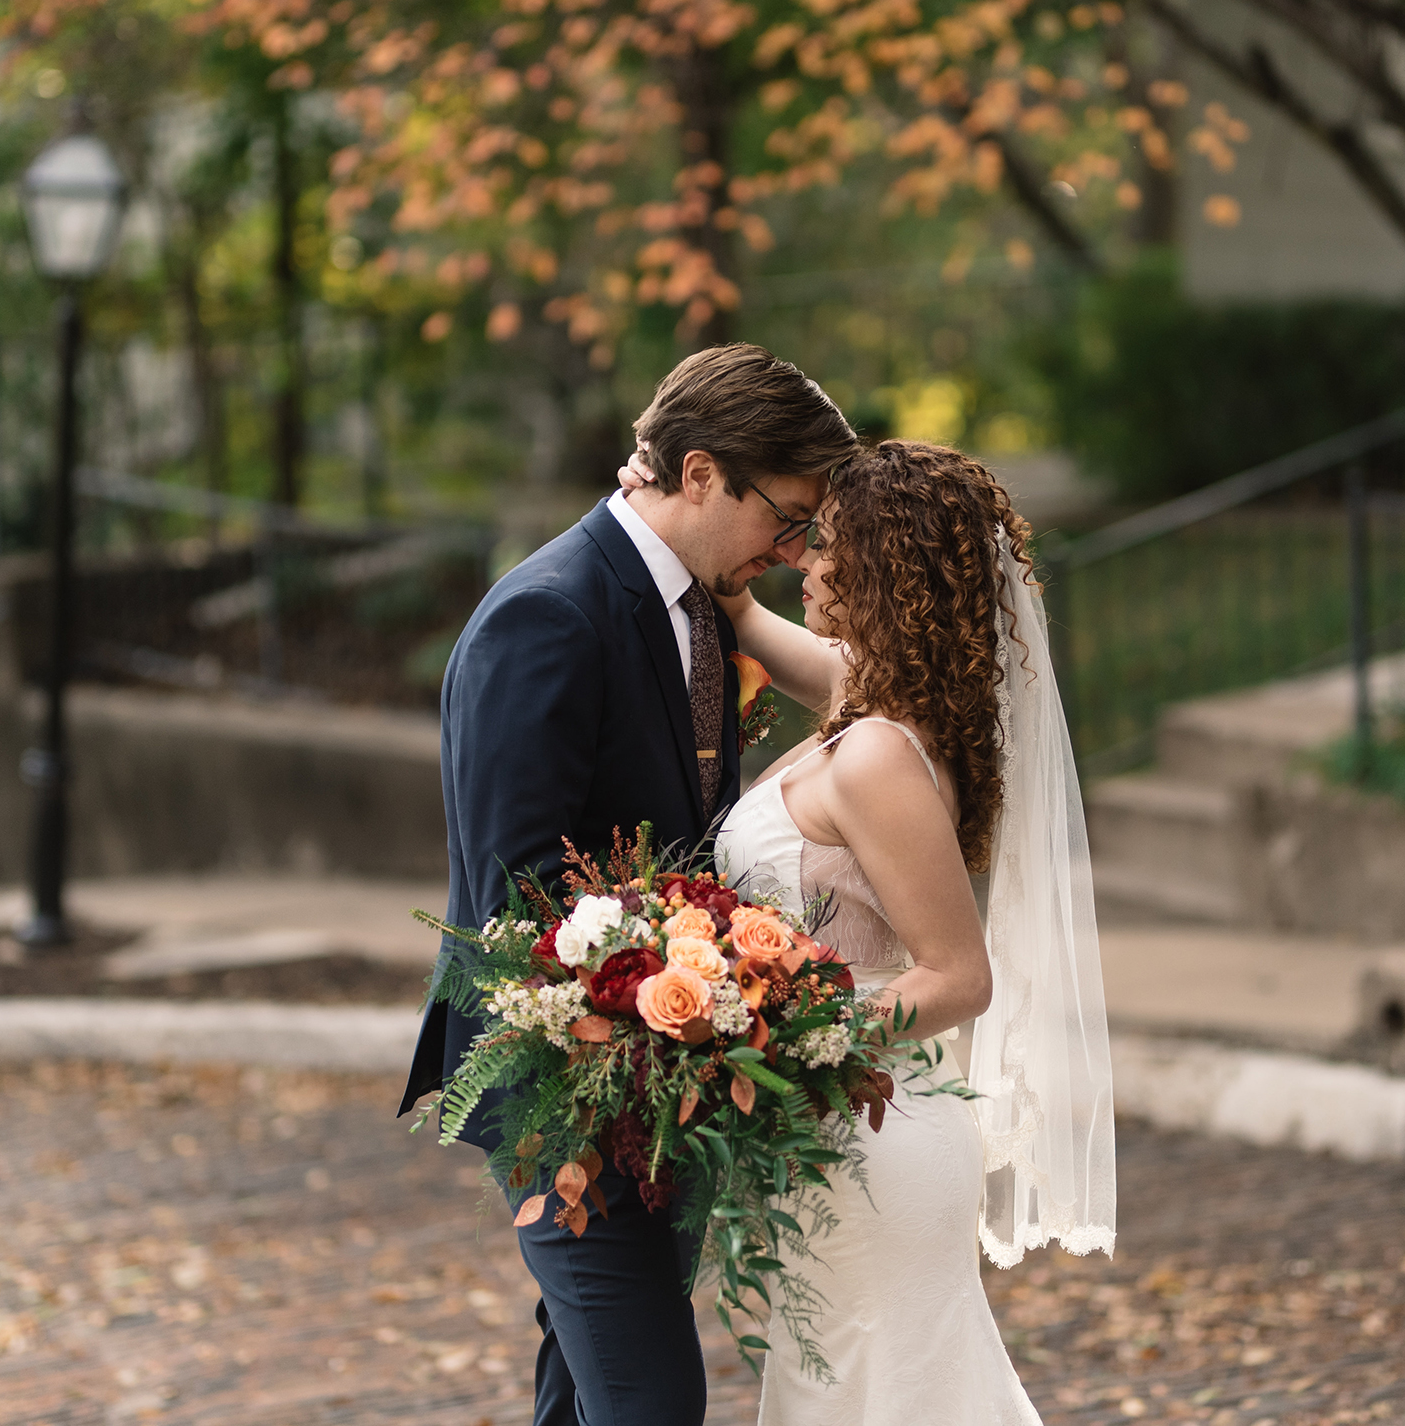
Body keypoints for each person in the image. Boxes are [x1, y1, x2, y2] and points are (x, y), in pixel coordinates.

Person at [398, 343, 858, 1426]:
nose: (793, 551)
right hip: (563, 1098)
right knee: (651, 1400)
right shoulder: (548, 614)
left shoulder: (700, 606)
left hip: (660, 1089)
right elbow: (519, 899)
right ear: (698, 474)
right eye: (785, 518)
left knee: (589, 1397)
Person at [703, 437, 1118, 1424]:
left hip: (875, 1138)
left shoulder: (880, 752)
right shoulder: (869, 711)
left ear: (884, 571)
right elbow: (751, 618)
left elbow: (957, 976)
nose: (805, 561)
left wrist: (792, 1051)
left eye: (829, 546)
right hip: (846, 1135)